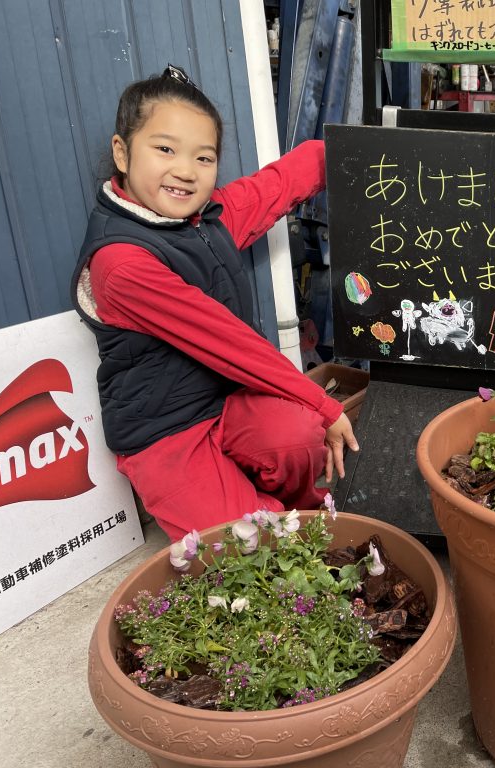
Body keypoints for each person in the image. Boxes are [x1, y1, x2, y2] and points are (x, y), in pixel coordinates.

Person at [70, 65, 358, 541]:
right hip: (166, 433)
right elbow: (231, 345)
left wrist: (360, 153)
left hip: (227, 404)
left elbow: (284, 180)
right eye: (164, 149)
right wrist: (325, 405)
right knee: (245, 546)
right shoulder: (121, 264)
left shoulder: (210, 217)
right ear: (122, 152)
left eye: (204, 158)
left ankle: (298, 511)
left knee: (298, 437)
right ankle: (270, 518)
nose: (185, 171)